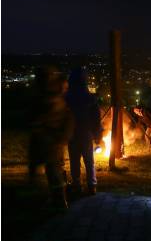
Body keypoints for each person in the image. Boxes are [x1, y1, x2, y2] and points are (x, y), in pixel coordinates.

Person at [29, 66, 74, 209]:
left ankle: (60, 201)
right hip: (48, 141)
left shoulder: (52, 98)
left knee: (54, 171)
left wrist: (59, 137)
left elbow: (65, 117)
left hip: (51, 141)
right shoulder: (46, 96)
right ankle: (55, 198)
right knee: (52, 171)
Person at [66, 67, 102, 195]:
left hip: (72, 134)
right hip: (86, 134)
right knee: (89, 161)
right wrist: (98, 135)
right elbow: (96, 119)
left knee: (74, 161)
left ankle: (77, 184)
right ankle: (92, 185)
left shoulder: (67, 98)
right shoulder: (90, 98)